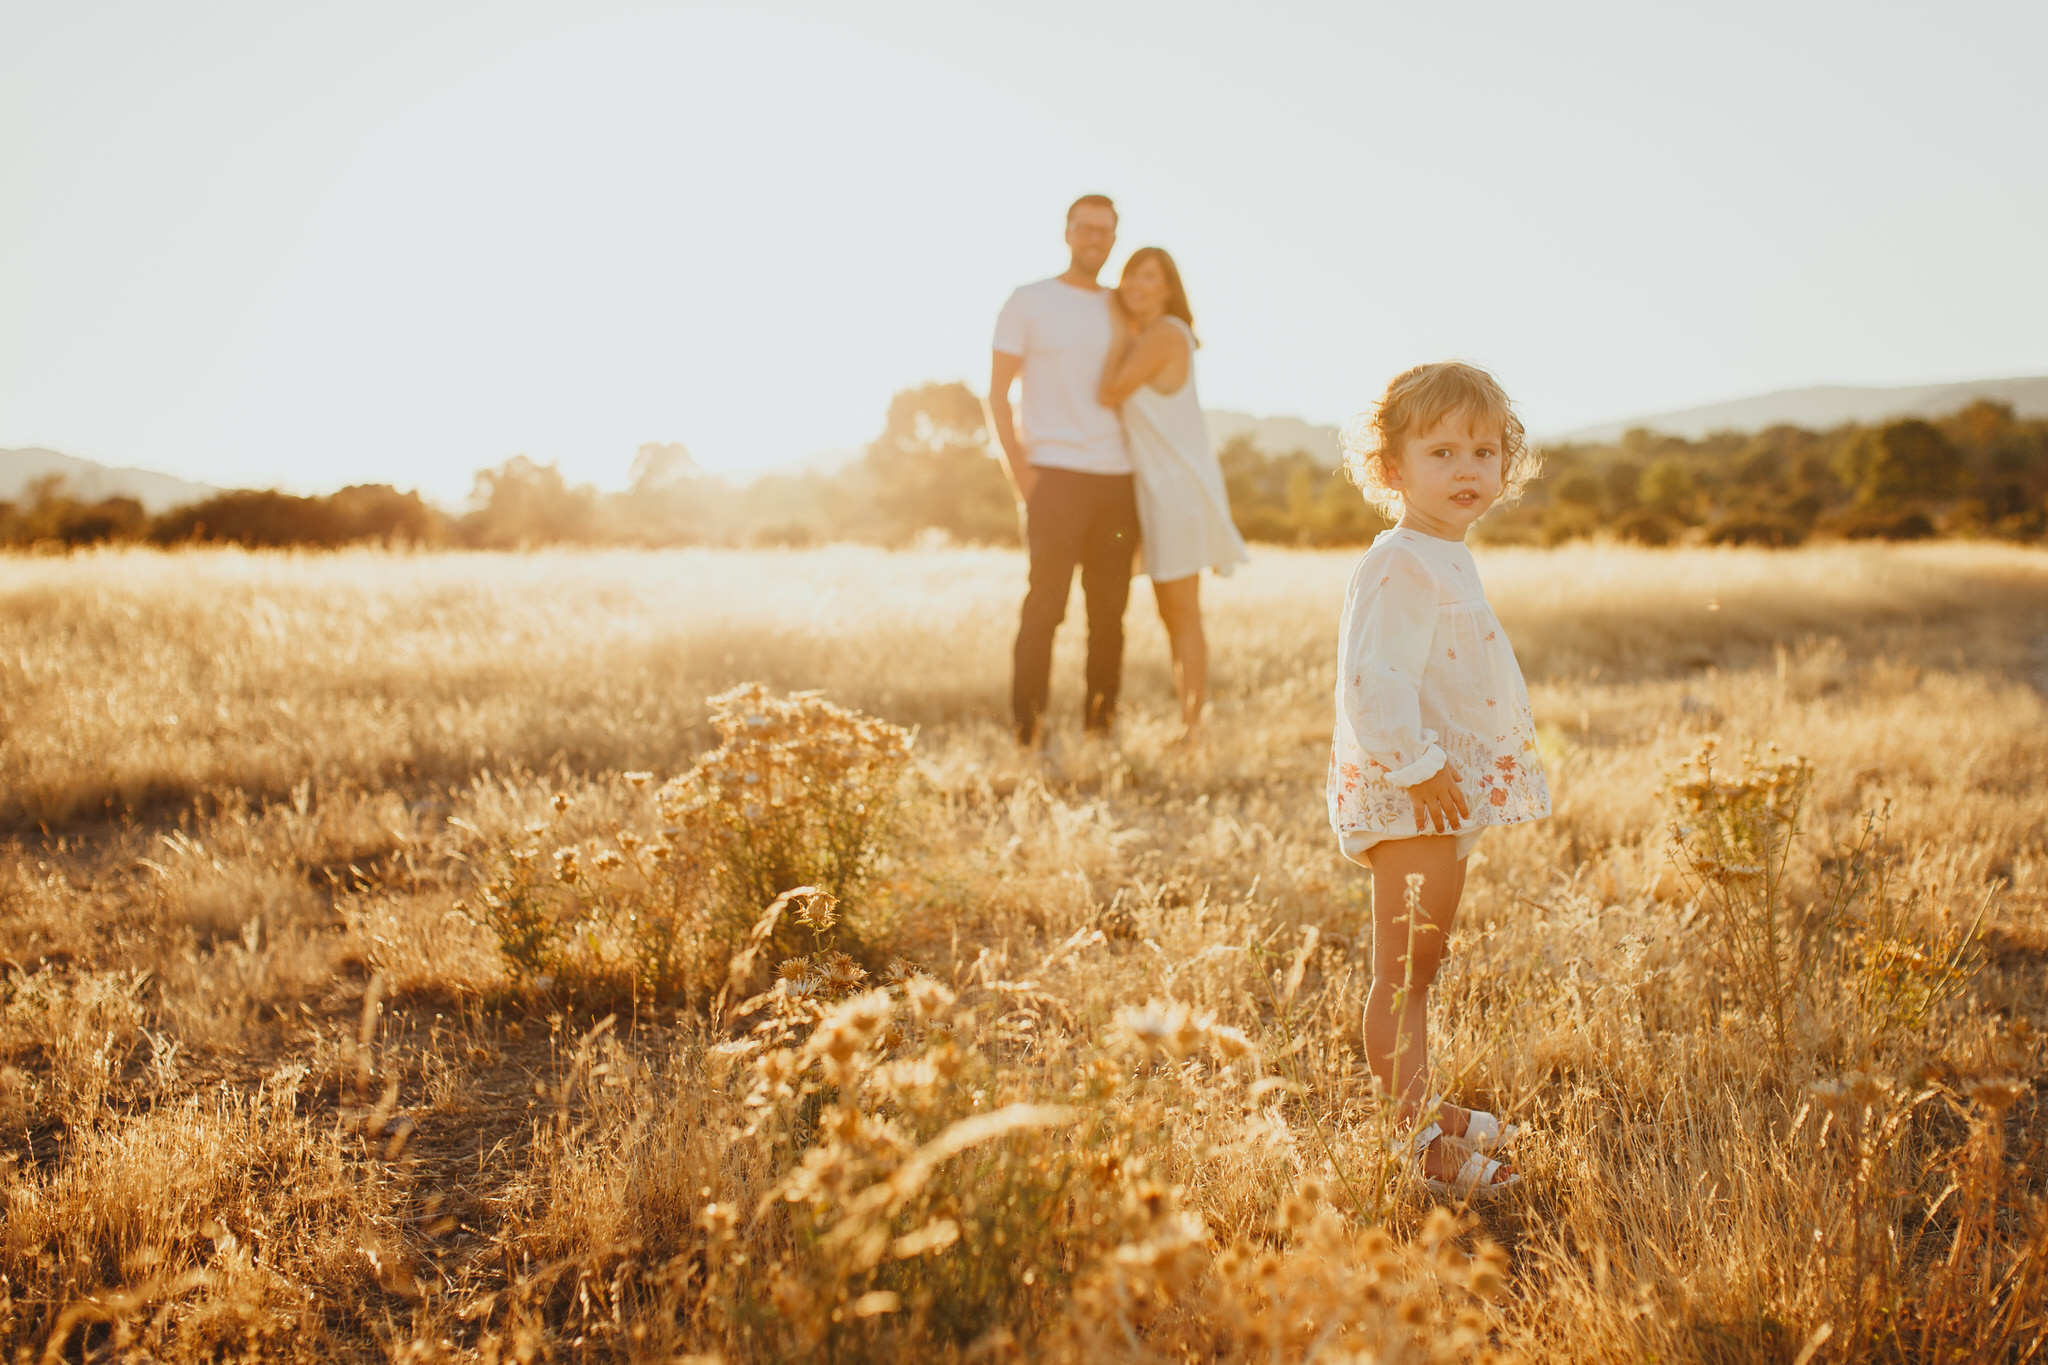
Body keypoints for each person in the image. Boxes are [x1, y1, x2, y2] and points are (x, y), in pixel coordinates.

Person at [1327, 361, 1550, 1199]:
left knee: (1424, 962)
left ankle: (1420, 1104)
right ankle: (1416, 1145)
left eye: (1485, 452)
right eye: (1442, 451)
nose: (1468, 470)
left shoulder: (1443, 555)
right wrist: (1419, 768)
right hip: (1412, 791)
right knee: (1403, 972)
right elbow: (1372, 682)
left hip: (1437, 791)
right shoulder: (1399, 562)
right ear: (1393, 469)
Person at [989, 195, 1139, 747]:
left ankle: (1101, 729)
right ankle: (1027, 731)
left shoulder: (1123, 307)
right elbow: (997, 395)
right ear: (1067, 232)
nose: (1095, 238)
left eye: (1105, 230)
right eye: (1086, 228)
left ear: (1114, 238)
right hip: (1053, 476)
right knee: (1044, 609)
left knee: (1109, 617)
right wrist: (1022, 477)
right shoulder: (1029, 301)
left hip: (1118, 481)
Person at [1097, 247, 1249, 738]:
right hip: (1156, 490)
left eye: (1148, 276)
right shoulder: (1151, 335)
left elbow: (1110, 390)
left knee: (1182, 610)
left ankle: (1194, 725)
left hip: (1175, 492)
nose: (1135, 284)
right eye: (1129, 276)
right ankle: (1191, 719)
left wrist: (1117, 325)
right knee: (1172, 610)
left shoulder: (1163, 334)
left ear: (1167, 289)